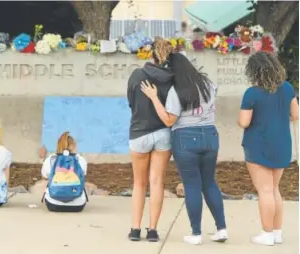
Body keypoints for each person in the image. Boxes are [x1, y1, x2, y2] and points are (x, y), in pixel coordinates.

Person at [141, 53, 227, 245]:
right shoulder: (209, 84)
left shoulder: (176, 90)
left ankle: (196, 233)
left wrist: (154, 98)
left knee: (192, 185)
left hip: (186, 138)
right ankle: (221, 229)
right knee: (209, 183)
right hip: (210, 135)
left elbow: (169, 119)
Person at [238, 51, 299, 246]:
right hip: (282, 143)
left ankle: (267, 233)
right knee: (274, 189)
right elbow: (296, 115)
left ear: (254, 71)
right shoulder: (288, 88)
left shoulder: (252, 93)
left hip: (259, 144)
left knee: (264, 191)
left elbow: (244, 122)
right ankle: (277, 232)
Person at [126, 38, 174, 242]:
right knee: (157, 182)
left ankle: (135, 229)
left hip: (139, 133)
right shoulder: (173, 79)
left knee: (139, 183)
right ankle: (152, 230)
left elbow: (130, 102)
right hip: (163, 133)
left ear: (151, 54)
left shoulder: (137, 75)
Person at [41, 131, 88, 212]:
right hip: (78, 205)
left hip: (53, 204)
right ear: (73, 146)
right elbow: (82, 175)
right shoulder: (80, 160)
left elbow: (45, 176)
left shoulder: (50, 160)